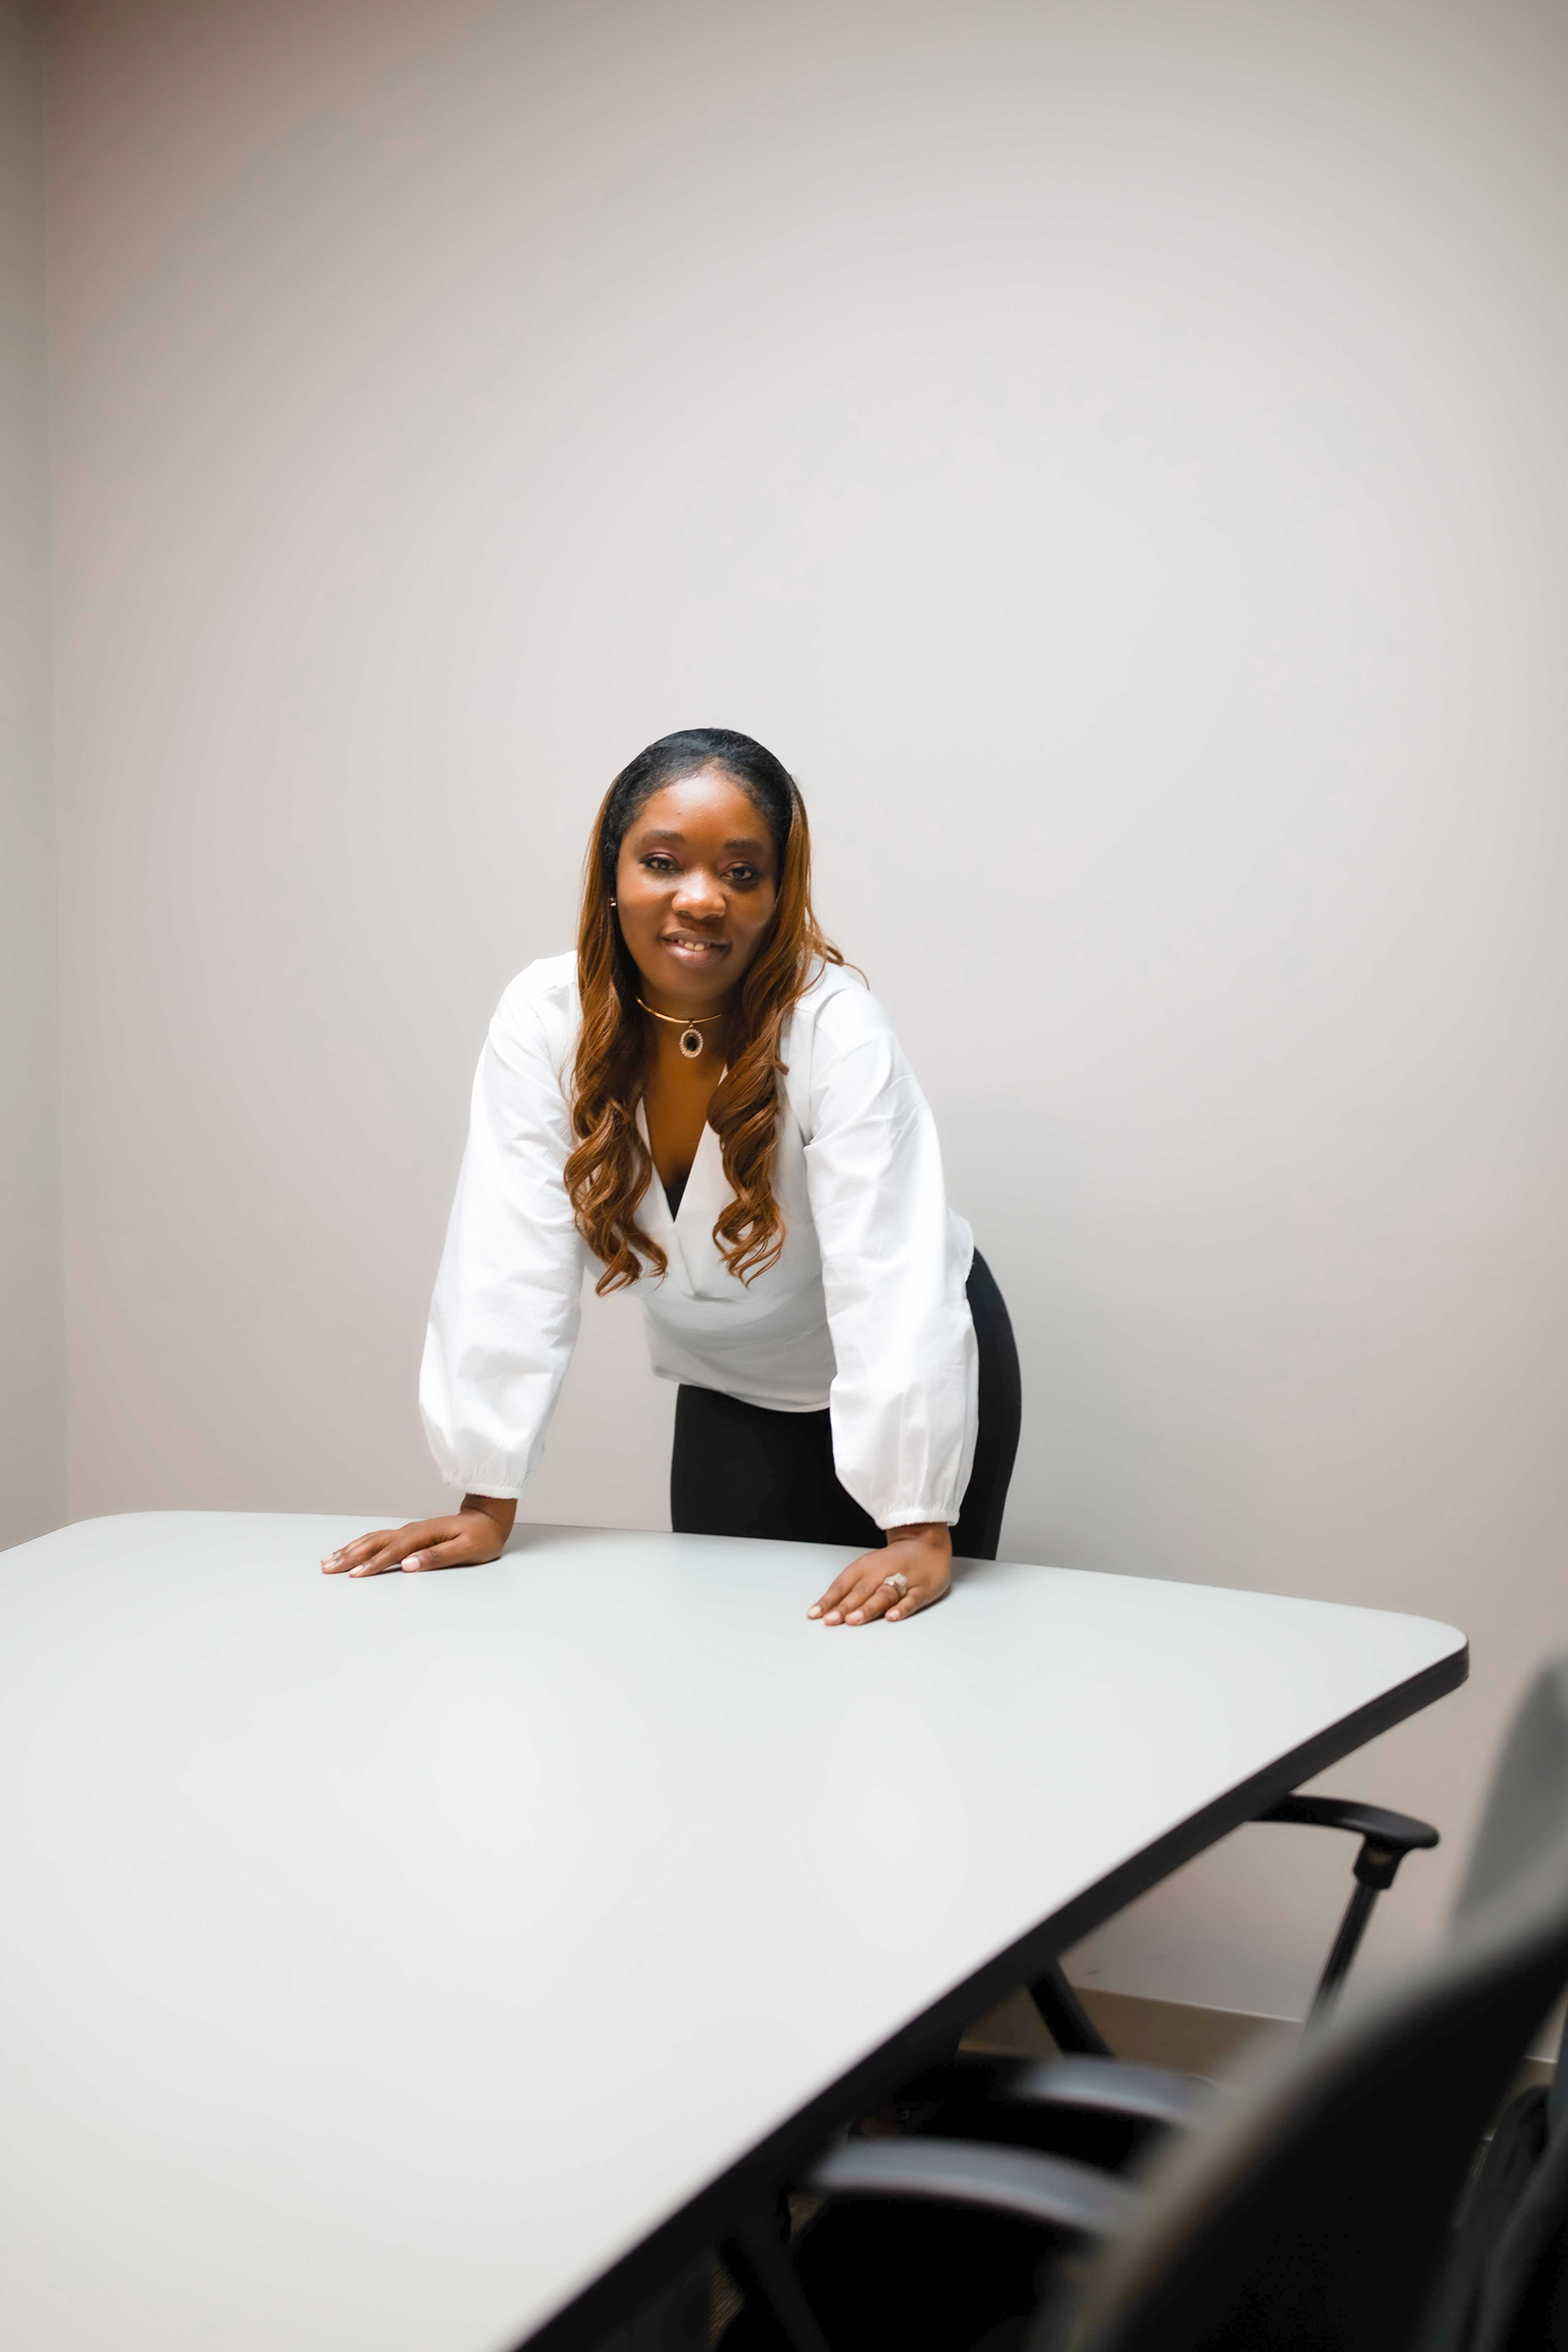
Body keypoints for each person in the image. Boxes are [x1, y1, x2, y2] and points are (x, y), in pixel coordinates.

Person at [323, 727, 1019, 1622]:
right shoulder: (545, 1019)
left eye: (741, 872)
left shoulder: (837, 1030)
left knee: (910, 1648)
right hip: (732, 1383)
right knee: (723, 1646)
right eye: (662, 862)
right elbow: (506, 1256)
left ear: (778, 894)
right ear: (612, 874)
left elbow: (891, 1278)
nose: (701, 898)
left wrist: (918, 1523)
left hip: (911, 1374)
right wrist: (485, 1501)